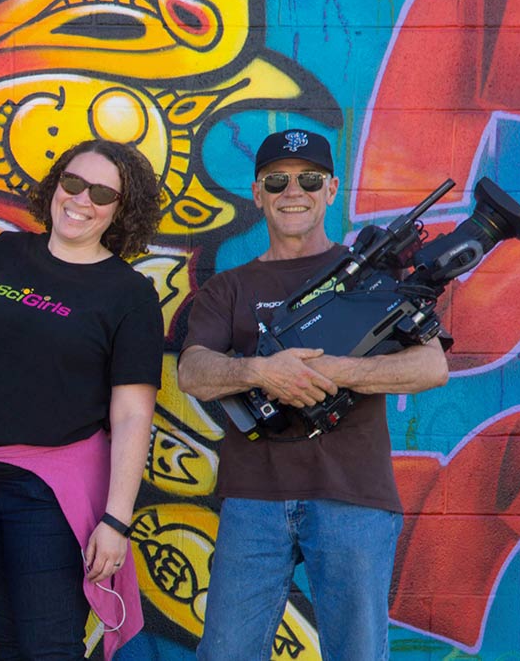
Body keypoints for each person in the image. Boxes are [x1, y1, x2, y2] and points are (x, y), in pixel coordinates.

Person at [177, 129, 450, 659]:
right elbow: (193, 372)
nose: (292, 191)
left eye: (308, 179)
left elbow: (431, 365)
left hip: (353, 495)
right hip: (253, 499)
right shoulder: (228, 287)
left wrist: (336, 370)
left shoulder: (377, 275)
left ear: (331, 189)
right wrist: (263, 370)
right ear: (257, 193)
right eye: (277, 181)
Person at [0, 140, 163, 660]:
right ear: (56, 184)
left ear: (121, 210)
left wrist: (116, 521)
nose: (82, 199)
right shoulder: (7, 253)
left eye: (103, 192)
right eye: (73, 182)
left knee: (50, 649)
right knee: (4, 644)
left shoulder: (128, 293)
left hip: (49, 499)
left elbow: (132, 414)